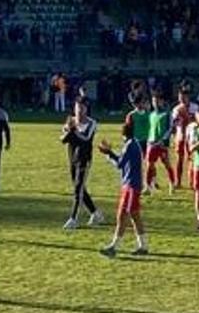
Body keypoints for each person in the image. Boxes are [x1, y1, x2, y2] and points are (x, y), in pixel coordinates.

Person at [98, 120, 148, 258]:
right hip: (132, 184)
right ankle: (143, 245)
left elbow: (120, 164)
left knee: (124, 215)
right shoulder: (135, 144)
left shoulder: (129, 145)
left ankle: (114, 246)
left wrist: (108, 153)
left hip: (131, 185)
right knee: (134, 215)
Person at [61, 99, 102, 229]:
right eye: (77, 107)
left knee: (78, 188)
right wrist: (68, 130)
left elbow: (86, 139)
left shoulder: (92, 123)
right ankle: (95, 213)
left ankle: (73, 218)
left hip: (84, 159)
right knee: (79, 188)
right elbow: (62, 138)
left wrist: (74, 131)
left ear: (86, 109)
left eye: (81, 108)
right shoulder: (71, 121)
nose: (79, 111)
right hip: (72, 158)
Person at [170, 87, 199, 190]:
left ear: (188, 97)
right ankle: (178, 182)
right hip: (180, 137)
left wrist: (188, 117)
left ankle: (192, 182)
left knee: (191, 159)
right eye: (180, 97)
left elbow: (198, 121)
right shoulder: (176, 109)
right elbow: (173, 125)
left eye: (184, 97)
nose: (181, 99)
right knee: (179, 160)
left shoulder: (195, 107)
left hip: (191, 136)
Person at [145, 92, 175, 192]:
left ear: (162, 102)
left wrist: (164, 140)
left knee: (166, 164)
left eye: (158, 101)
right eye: (154, 101)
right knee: (149, 165)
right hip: (151, 143)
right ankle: (148, 187)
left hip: (162, 144)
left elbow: (170, 128)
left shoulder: (167, 114)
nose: (156, 103)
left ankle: (172, 183)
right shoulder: (151, 114)